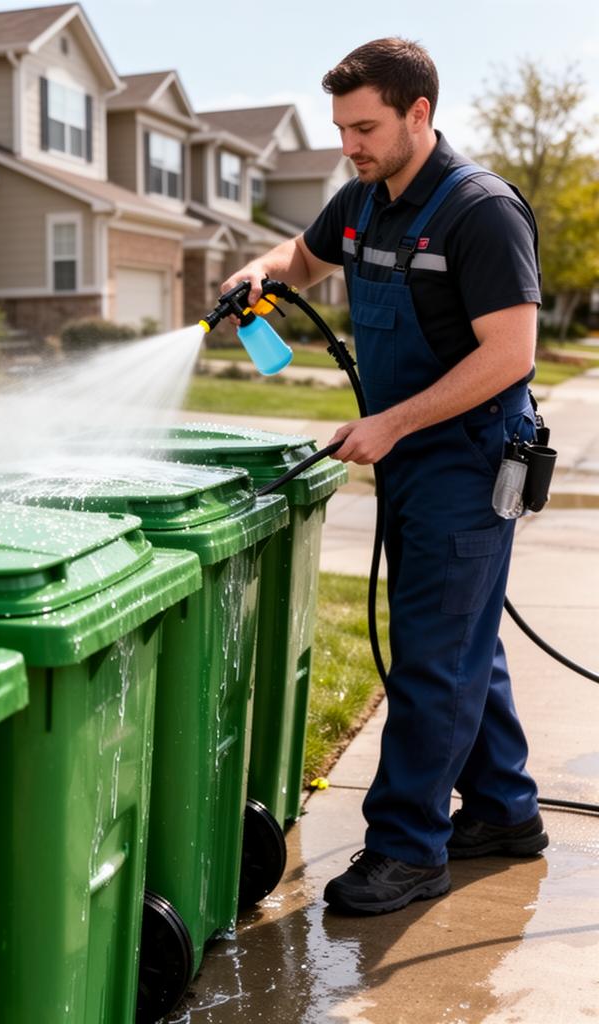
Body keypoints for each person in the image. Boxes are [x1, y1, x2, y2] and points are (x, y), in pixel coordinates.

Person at [222, 37, 549, 915]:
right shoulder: (364, 201)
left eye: (364, 127)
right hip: (410, 458)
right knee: (463, 643)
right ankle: (506, 811)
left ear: (419, 114)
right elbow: (303, 256)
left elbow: (512, 354)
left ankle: (408, 850)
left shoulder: (480, 212)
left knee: (434, 661)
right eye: (340, 128)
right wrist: (258, 272)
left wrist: (392, 422)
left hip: (469, 461)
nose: (349, 144)